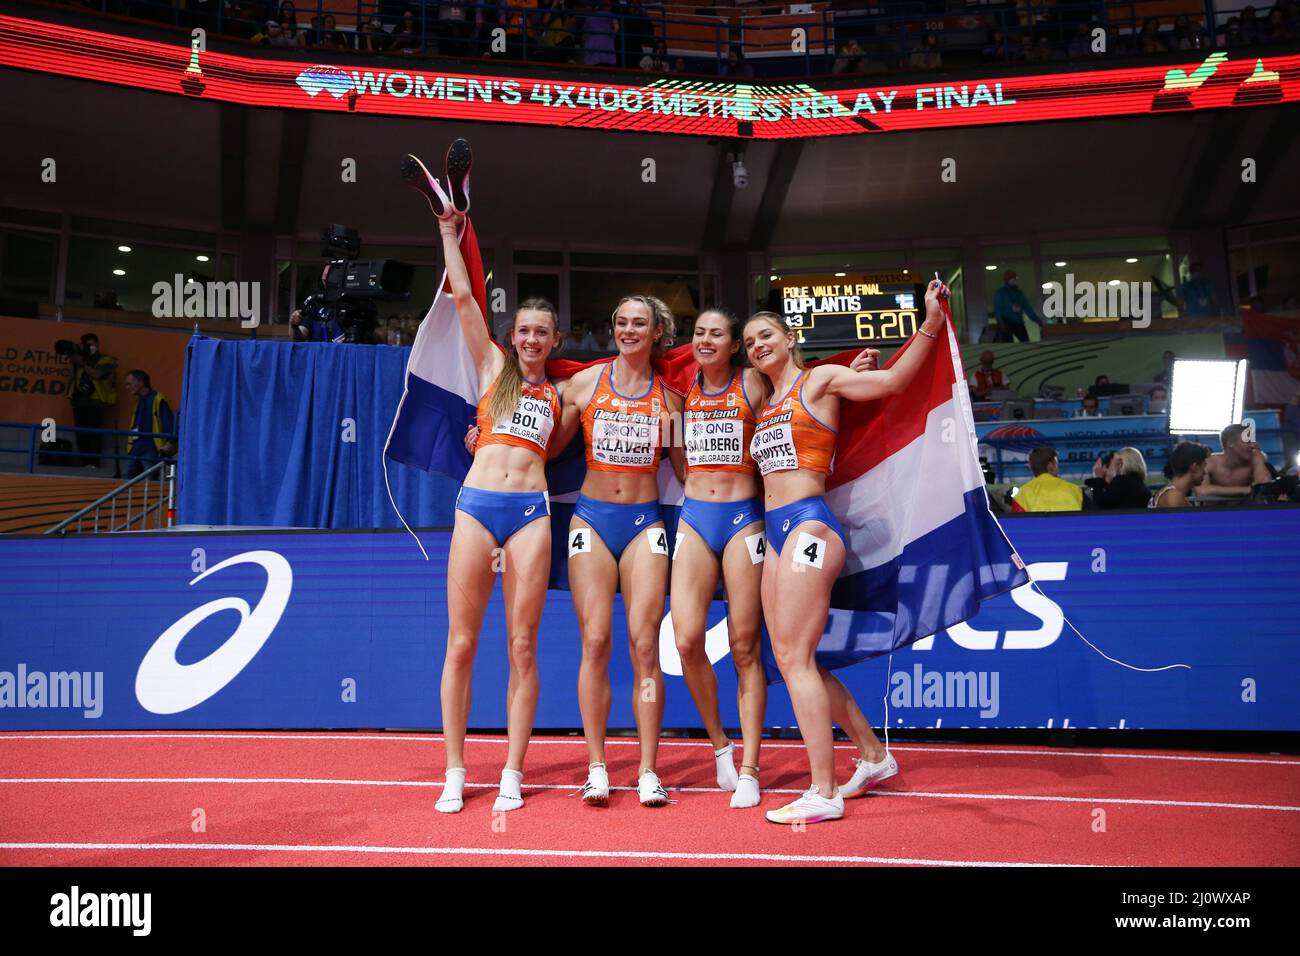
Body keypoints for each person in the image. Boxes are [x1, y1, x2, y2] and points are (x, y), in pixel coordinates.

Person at [742, 279, 951, 825]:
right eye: (749, 342)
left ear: (790, 338)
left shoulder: (820, 380)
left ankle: (824, 790)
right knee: (794, 659)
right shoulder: (767, 403)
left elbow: (895, 382)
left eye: (765, 335)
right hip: (776, 531)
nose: (756, 345)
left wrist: (928, 321)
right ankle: (873, 756)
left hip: (810, 530)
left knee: (793, 659)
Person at [404, 141, 571, 815]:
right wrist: (450, 231)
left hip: (530, 514)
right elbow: (466, 296)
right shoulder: (492, 370)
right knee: (463, 642)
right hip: (476, 508)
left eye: (541, 333)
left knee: (523, 646)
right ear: (514, 334)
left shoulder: (568, 396)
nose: (530, 339)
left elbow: (630, 387)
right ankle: (453, 770)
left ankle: (511, 771)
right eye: (523, 329)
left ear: (554, 341)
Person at [559, 294, 683, 808]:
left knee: (645, 645)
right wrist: (486, 437)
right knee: (595, 642)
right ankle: (597, 766)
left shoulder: (670, 401)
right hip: (590, 521)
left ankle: (649, 769)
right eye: (622, 322)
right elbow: (541, 450)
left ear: (657, 332)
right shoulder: (584, 384)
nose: (629, 330)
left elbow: (689, 469)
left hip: (643, 525)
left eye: (640, 323)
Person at [66, 333, 118, 469]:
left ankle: (93, 463)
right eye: (88, 345)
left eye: (93, 344)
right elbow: (71, 378)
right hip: (79, 401)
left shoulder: (105, 359)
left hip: (95, 401)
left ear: (97, 344)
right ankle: (84, 462)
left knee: (93, 433)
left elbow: (98, 374)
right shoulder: (77, 360)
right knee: (81, 433)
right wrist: (73, 362)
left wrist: (83, 363)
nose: (91, 347)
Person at [121, 370, 177, 480]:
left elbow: (169, 423)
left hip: (151, 448)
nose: (127, 387)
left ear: (141, 382)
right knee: (127, 476)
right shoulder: (139, 402)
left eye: (129, 384)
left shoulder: (158, 400)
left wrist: (170, 443)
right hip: (136, 448)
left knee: (150, 480)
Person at [1199, 423, 1272, 497]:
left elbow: (1264, 489)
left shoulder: (1255, 457)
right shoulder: (1209, 462)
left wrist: (1258, 458)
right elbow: (1202, 491)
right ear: (1230, 443)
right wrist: (1247, 490)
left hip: (1245, 508)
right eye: (1248, 442)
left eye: (1253, 441)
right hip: (1214, 508)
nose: (1253, 445)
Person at [1012, 446, 1083, 512]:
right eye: (1056, 464)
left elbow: (1017, 523)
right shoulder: (1075, 490)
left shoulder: (1021, 495)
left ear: (1031, 467)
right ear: (1050, 466)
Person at [1085, 447, 1151, 509]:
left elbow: (1100, 505)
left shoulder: (1122, 481)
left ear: (1123, 463)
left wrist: (1098, 478)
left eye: (1117, 463)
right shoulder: (1142, 485)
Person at [1152, 442, 1210, 507]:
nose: (1205, 472)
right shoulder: (1173, 496)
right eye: (1203, 466)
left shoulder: (1170, 493)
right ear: (1195, 467)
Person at [993, 270, 1043, 342]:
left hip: (1018, 322)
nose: (1014, 280)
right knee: (1008, 345)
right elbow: (997, 308)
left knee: (1025, 342)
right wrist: (1000, 322)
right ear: (1007, 280)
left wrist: (1037, 320)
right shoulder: (1001, 293)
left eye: (1014, 279)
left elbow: (1027, 308)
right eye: (1011, 278)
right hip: (1006, 322)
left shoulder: (1019, 293)